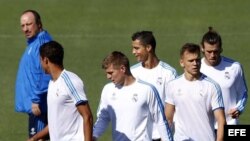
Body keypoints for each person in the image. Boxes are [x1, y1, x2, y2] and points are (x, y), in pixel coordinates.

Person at [93, 51, 173, 141]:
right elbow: (103, 117)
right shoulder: (108, 90)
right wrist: (94, 135)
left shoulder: (147, 90)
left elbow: (161, 121)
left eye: (111, 73)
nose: (108, 76)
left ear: (122, 69)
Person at [28, 41, 93, 141]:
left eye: (40, 60)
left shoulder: (70, 81)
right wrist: (35, 138)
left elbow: (87, 116)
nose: (40, 64)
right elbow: (55, 122)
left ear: (45, 60)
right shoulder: (52, 83)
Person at [165, 43, 226, 141]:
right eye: (191, 61)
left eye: (197, 60)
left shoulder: (212, 86)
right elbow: (168, 119)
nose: (195, 63)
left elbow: (221, 120)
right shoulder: (172, 85)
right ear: (182, 63)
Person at [130, 31, 177, 141]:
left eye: (137, 48)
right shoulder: (132, 72)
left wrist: (165, 133)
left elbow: (174, 104)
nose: (133, 52)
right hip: (138, 137)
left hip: (161, 136)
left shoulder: (168, 73)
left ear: (148, 47)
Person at [200, 27, 248, 130]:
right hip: (205, 127)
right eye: (209, 51)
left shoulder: (234, 67)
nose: (212, 55)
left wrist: (239, 108)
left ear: (221, 49)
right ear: (202, 48)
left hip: (230, 124)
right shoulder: (197, 68)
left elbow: (243, 92)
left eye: (215, 51)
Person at [15, 9, 52, 140]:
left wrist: (36, 100)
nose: (25, 29)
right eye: (23, 25)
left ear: (39, 24)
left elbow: (46, 73)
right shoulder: (34, 43)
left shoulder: (41, 44)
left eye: (29, 24)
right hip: (36, 108)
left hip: (39, 108)